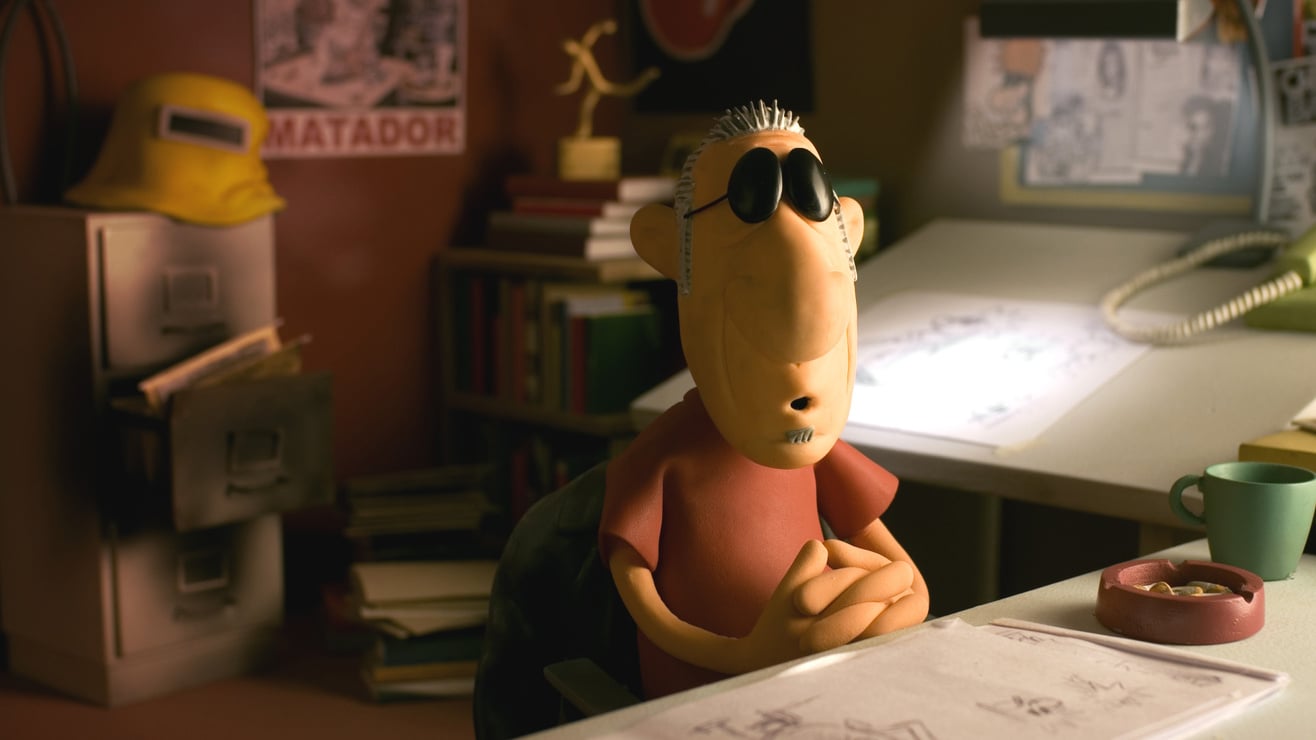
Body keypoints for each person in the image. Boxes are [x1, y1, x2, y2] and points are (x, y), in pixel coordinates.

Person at [601, 100, 930, 700]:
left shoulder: (815, 453)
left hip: (812, 686)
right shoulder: (667, 455)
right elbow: (643, 602)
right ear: (667, 251)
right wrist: (743, 654)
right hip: (700, 699)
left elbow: (898, 569)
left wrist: (907, 598)